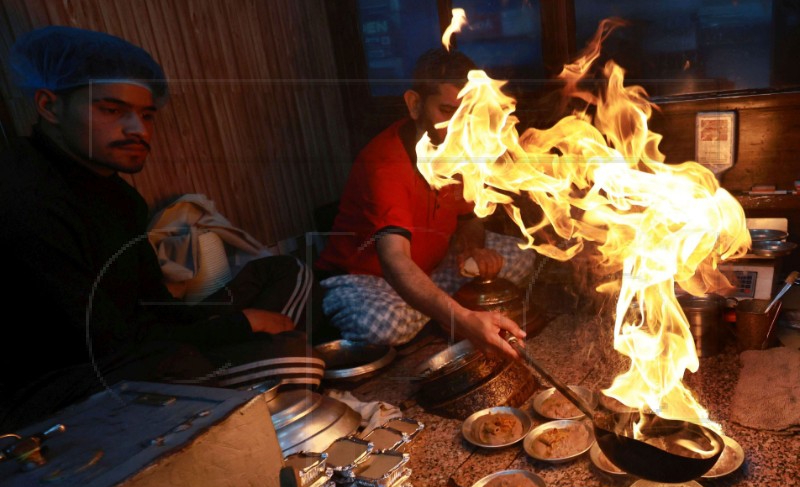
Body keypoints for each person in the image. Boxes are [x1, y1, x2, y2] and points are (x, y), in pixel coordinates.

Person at [0, 26, 323, 430]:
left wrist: (221, 319)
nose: (138, 129)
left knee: (289, 270)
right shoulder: (25, 199)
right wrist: (239, 325)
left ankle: (261, 371)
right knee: (282, 360)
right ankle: (265, 375)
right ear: (49, 106)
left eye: (147, 114)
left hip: (141, 340)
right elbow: (104, 343)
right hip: (66, 381)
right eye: (112, 110)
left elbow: (150, 303)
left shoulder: (119, 195)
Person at [315, 47, 536, 358]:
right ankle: (451, 311)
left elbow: (468, 219)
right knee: (386, 327)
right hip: (367, 281)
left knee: (523, 256)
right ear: (415, 104)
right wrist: (464, 320)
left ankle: (439, 307)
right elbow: (395, 263)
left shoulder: (458, 150)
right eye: (446, 111)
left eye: (465, 116)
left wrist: (472, 249)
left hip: (433, 269)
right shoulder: (385, 163)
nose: (457, 128)